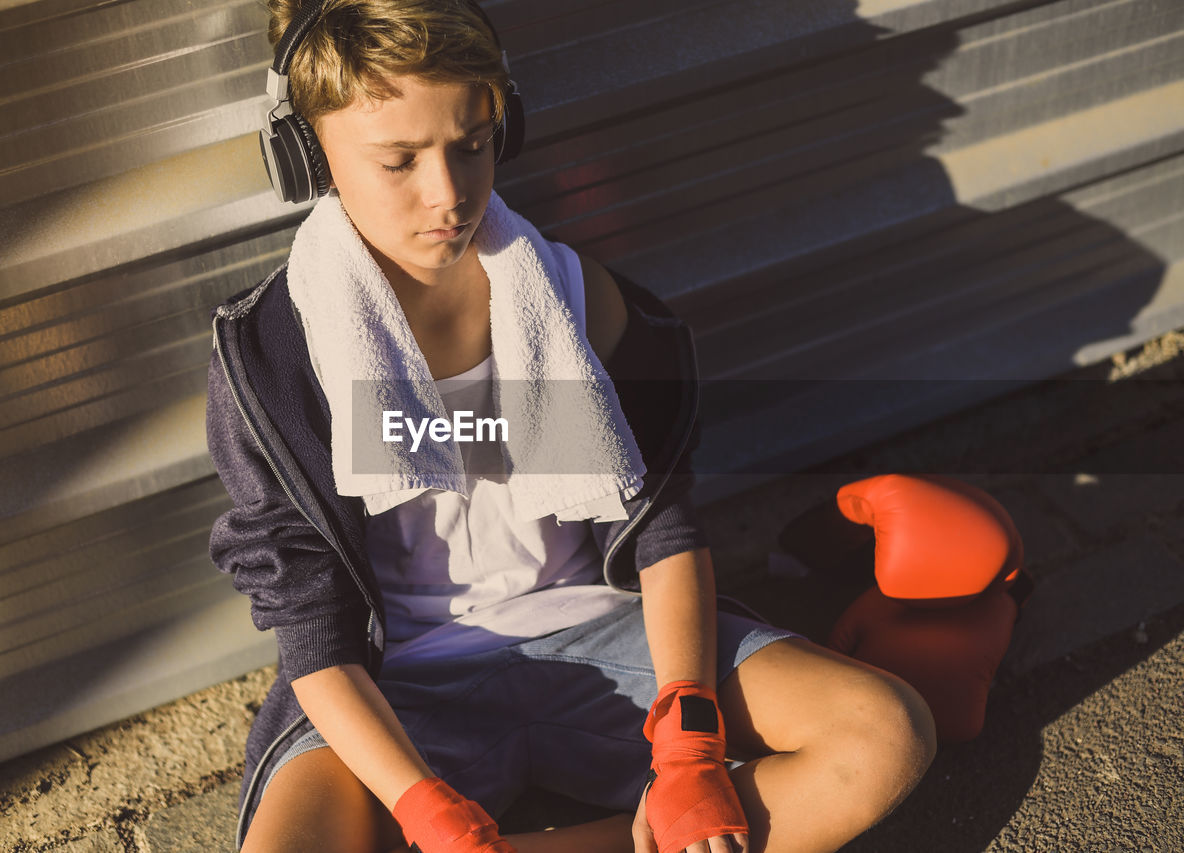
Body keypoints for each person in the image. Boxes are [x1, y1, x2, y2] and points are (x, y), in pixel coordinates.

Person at [206, 2, 937, 851]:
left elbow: (665, 529)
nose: (449, 194)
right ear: (308, 152)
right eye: (399, 160)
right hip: (396, 679)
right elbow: (315, 633)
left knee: (885, 736)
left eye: (473, 144)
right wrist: (423, 809)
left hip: (601, 631)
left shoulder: (576, 296)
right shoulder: (269, 359)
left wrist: (692, 749)